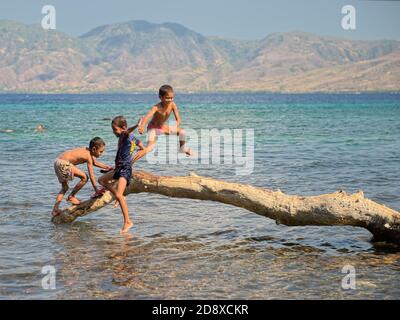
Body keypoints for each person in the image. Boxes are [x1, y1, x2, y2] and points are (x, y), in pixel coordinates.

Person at [99, 116, 144, 234]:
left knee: (118, 194)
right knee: (101, 180)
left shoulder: (126, 135)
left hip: (125, 169)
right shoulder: (133, 139)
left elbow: (127, 132)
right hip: (119, 167)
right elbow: (142, 148)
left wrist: (136, 125)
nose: (114, 132)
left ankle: (128, 221)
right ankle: (119, 196)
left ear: (123, 128)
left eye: (115, 129)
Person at [52, 137, 112, 217]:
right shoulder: (88, 156)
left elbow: (94, 162)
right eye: (100, 152)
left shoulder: (86, 150)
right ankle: (71, 196)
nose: (101, 154)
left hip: (57, 162)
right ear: (94, 149)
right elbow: (91, 174)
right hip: (64, 163)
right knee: (85, 177)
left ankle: (55, 209)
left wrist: (107, 167)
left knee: (65, 188)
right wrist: (96, 189)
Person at [134, 84, 192, 162]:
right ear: (160, 97)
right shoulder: (156, 107)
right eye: (167, 98)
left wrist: (175, 125)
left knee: (182, 132)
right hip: (153, 129)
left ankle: (182, 149)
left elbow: (178, 119)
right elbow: (147, 117)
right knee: (149, 148)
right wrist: (142, 126)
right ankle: (132, 161)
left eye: (172, 98)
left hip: (162, 127)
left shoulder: (172, 105)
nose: (170, 100)